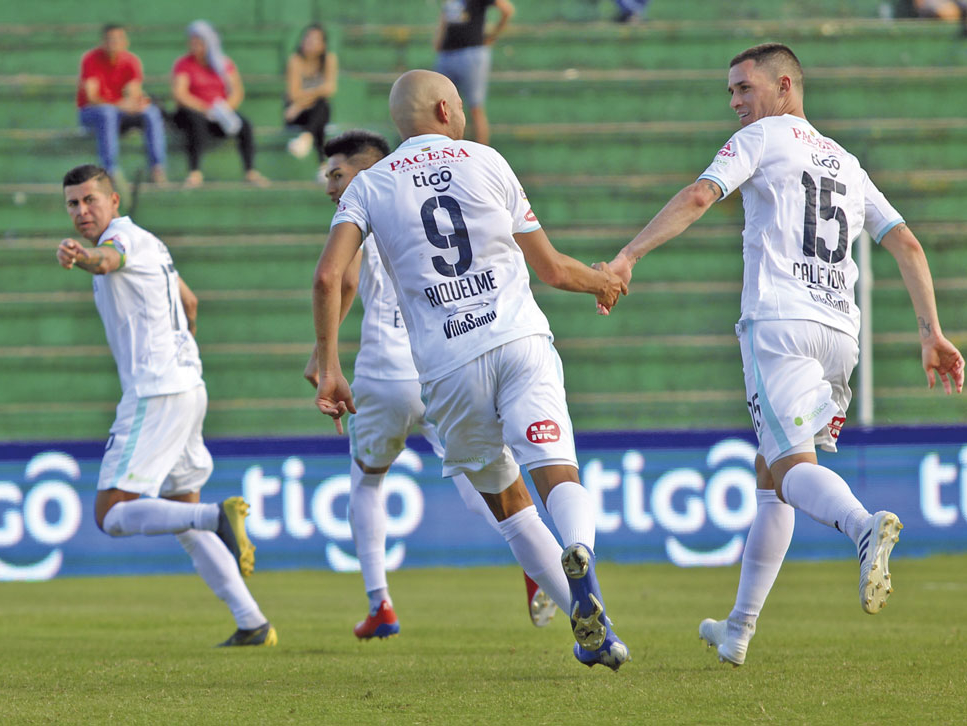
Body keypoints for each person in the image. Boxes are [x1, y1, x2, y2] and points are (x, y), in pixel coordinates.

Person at [602, 43, 965, 666]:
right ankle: (737, 630)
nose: (736, 102)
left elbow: (700, 196)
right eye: (731, 92)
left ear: (785, 87)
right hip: (839, 334)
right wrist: (931, 332)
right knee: (772, 474)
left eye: (745, 88)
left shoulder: (762, 137)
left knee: (791, 466)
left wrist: (628, 256)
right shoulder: (846, 161)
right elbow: (905, 242)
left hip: (779, 325)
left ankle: (861, 526)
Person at [312, 70, 631, 670]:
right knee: (556, 471)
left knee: (507, 502)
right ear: (444, 109)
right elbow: (551, 269)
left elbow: (330, 276)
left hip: (446, 365)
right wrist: (603, 281)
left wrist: (329, 364)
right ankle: (579, 547)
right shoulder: (488, 161)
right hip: (518, 340)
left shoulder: (369, 186)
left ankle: (594, 629)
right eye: (458, 103)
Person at [303, 129, 558, 638]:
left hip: (384, 374)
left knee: (366, 481)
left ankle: (380, 605)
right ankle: (540, 564)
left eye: (337, 174)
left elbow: (342, 279)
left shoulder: (365, 205)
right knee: (481, 479)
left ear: (365, 169)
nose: (330, 186)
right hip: (443, 366)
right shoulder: (420, 201)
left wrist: (325, 357)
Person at [56, 164, 277, 647]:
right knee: (181, 514)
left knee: (111, 514)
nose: (82, 211)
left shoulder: (119, 240)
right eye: (73, 203)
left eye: (91, 200)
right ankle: (252, 623)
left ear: (114, 201)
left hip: (155, 392)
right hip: (187, 386)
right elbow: (190, 303)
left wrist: (82, 256)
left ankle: (217, 516)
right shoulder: (153, 244)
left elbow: (107, 261)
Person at [171, 20, 269, 189]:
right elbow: (180, 94)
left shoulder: (223, 63)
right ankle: (194, 172)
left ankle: (250, 171)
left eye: (199, 42)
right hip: (194, 112)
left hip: (219, 112)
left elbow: (237, 91)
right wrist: (204, 108)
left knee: (245, 124)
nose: (195, 45)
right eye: (192, 41)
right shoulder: (184, 64)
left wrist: (225, 108)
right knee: (196, 123)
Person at [77, 24, 167, 185]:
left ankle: (157, 168)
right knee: (107, 112)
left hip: (120, 113)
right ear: (103, 42)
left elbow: (134, 93)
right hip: (92, 113)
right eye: (110, 39)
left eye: (119, 39)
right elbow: (92, 97)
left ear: (126, 42)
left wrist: (137, 103)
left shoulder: (131, 61)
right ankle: (110, 170)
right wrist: (119, 105)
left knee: (151, 112)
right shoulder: (91, 60)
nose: (114, 43)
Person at [434, 0, 514, 146]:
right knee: (443, 107)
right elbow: (446, 16)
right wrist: (439, 38)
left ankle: (481, 151)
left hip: (471, 52)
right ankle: (448, 151)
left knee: (475, 107)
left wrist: (492, 36)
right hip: (448, 52)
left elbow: (507, 10)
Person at [284, 24, 338, 168]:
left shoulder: (329, 59)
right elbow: (294, 94)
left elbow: (330, 89)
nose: (310, 42)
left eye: (315, 39)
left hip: (304, 109)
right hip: (296, 115)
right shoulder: (295, 60)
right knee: (321, 108)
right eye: (307, 38)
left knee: (322, 107)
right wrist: (316, 93)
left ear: (323, 44)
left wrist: (300, 104)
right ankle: (322, 165)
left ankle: (306, 138)